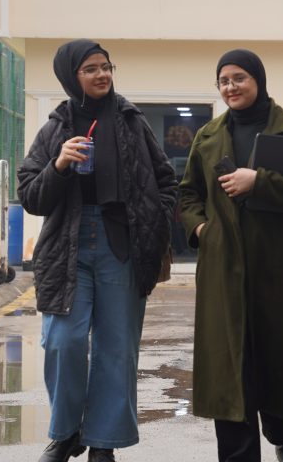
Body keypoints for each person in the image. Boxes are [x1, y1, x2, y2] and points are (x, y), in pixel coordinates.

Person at [18, 39, 177, 462]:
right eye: (90, 69)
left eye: (106, 66)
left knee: (116, 347)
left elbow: (166, 180)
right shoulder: (55, 128)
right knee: (63, 341)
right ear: (72, 76)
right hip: (67, 245)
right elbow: (30, 196)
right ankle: (67, 433)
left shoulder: (131, 121)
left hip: (121, 243)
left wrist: (155, 220)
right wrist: (58, 165)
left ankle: (104, 442)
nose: (102, 74)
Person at [178, 49, 283, 462]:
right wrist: (201, 229)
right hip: (223, 269)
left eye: (239, 78)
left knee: (279, 367)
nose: (231, 87)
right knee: (230, 374)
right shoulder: (207, 137)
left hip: (278, 268)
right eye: (223, 81)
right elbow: (187, 194)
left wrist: (258, 181)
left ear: (258, 79)